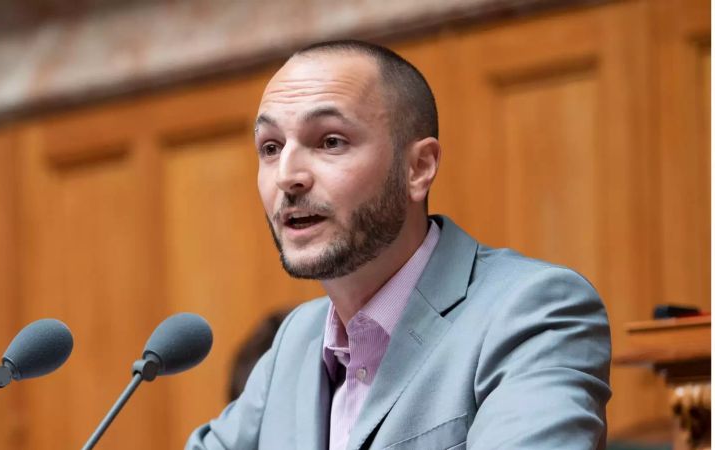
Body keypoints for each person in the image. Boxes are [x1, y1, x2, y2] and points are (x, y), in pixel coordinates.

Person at [187, 40, 611, 450]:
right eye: (271, 147)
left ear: (419, 168)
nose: (287, 175)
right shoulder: (295, 341)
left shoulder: (534, 312)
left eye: (330, 141)